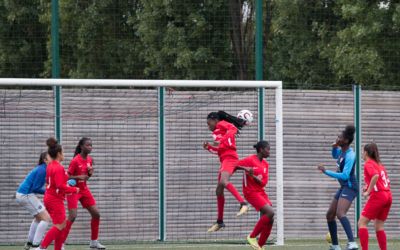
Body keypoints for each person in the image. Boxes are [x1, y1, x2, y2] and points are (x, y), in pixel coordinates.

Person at [203, 111, 249, 232]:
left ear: (215, 120)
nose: (208, 126)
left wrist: (222, 140)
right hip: (224, 159)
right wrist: (209, 148)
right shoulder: (215, 132)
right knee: (219, 190)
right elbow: (218, 150)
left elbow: (233, 129)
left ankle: (243, 204)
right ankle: (220, 222)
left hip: (230, 157)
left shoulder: (221, 124)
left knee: (224, 181)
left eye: (209, 123)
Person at [317, 125, 359, 250]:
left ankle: (352, 243)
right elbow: (335, 156)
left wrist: (325, 171)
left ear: (345, 141)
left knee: (340, 213)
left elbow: (345, 175)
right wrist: (333, 147)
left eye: (339, 137)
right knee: (330, 215)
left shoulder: (350, 155)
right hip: (343, 187)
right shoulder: (342, 151)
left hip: (350, 187)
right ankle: (335, 245)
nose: (337, 138)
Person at [36, 138, 79, 250]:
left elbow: (50, 181)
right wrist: (74, 190)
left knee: (62, 224)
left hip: (49, 197)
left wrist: (66, 182)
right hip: (55, 199)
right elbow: (60, 186)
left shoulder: (50, 165)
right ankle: (42, 247)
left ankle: (58, 248)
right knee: (60, 225)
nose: (64, 154)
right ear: (59, 154)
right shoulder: (58, 167)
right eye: (63, 152)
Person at [64, 137, 105, 249]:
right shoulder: (75, 160)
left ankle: (93, 242)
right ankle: (61, 242)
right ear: (81, 146)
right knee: (72, 216)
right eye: (87, 145)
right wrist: (78, 177)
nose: (90, 147)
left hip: (84, 189)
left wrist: (90, 174)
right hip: (73, 191)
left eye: (91, 145)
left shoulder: (90, 160)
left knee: (96, 214)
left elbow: (86, 178)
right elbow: (66, 177)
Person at [236, 141, 273, 250]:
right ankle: (252, 237)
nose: (269, 152)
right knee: (270, 212)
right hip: (250, 192)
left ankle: (260, 246)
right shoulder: (249, 160)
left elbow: (264, 182)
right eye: (268, 149)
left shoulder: (266, 164)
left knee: (270, 219)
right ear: (261, 149)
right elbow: (235, 164)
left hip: (261, 192)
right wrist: (245, 168)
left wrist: (254, 177)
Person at [358, 143, 391, 250]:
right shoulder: (379, 164)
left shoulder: (368, 163)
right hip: (388, 196)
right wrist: (368, 186)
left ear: (366, 153)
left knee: (362, 223)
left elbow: (375, 176)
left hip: (379, 196)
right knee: (379, 226)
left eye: (363, 151)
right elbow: (380, 179)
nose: (362, 154)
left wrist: (368, 191)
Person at [16, 152, 51, 249]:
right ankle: (36, 246)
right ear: (45, 160)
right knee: (46, 218)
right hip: (25, 195)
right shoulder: (43, 170)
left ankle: (29, 244)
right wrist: (48, 192)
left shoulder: (42, 168)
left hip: (22, 194)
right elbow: (35, 188)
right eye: (50, 157)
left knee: (38, 218)